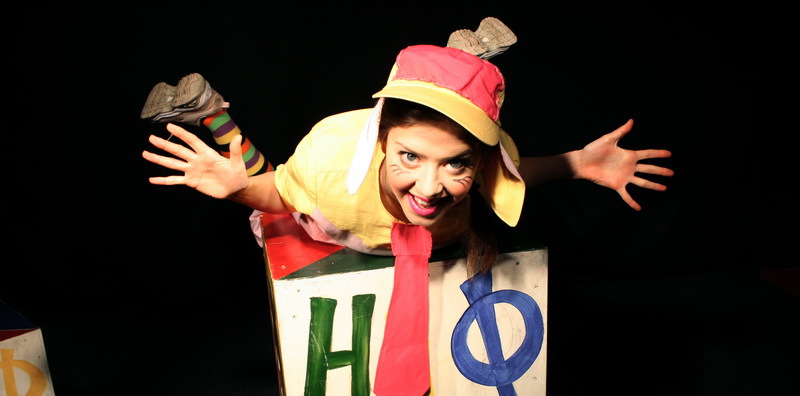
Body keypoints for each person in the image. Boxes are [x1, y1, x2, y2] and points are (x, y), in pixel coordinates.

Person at [141, 18, 673, 276]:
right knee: (275, 191)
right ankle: (209, 111)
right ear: (380, 140)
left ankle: (460, 65)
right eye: (410, 157)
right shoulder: (329, 158)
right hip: (330, 221)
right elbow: (281, 196)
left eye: (457, 163)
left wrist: (579, 163)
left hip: (408, 237)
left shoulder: (484, 173)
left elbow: (518, 173)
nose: (429, 189)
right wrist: (241, 191)